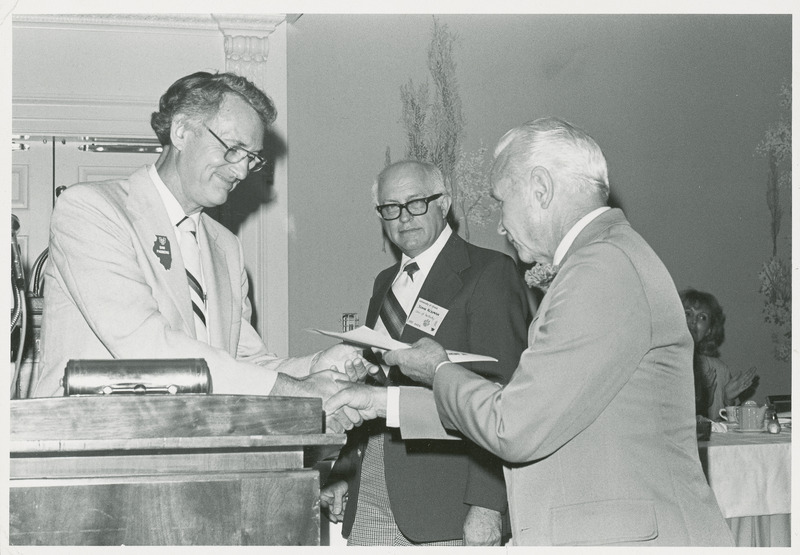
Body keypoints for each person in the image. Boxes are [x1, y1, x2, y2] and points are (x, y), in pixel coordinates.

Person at [328, 118, 734, 546]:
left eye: (502, 201)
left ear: (540, 188)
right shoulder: (605, 258)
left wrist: (438, 369)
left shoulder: (601, 268)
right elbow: (525, 407)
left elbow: (513, 425)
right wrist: (380, 401)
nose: (500, 224)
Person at [34, 71, 367, 432]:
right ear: (181, 132)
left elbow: (244, 362)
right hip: (90, 448)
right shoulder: (91, 210)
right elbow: (147, 347)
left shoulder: (226, 245)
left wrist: (315, 367)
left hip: (191, 446)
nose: (241, 169)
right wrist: (302, 393)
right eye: (232, 148)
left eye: (252, 158)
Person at [320, 160, 529, 546]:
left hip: (445, 507)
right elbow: (373, 385)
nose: (403, 218)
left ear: (444, 202)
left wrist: (487, 506)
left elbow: (505, 398)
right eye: (390, 208)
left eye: (416, 203)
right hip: (372, 496)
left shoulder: (489, 273)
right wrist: (344, 473)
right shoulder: (385, 283)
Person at [680, 288, 757, 420]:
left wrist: (729, 401)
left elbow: (724, 430)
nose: (694, 321)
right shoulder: (661, 364)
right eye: (688, 314)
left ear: (709, 330)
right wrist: (703, 401)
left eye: (702, 317)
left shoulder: (719, 370)